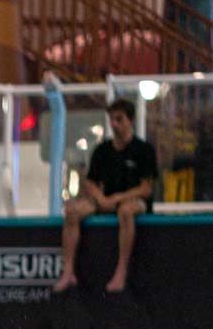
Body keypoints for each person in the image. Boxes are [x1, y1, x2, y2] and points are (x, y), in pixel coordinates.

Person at [53, 97, 158, 296]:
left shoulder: (144, 150)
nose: (114, 124)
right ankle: (68, 271)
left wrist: (119, 198)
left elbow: (146, 189)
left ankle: (121, 271)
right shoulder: (102, 151)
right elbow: (91, 182)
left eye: (119, 119)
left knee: (126, 211)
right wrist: (101, 199)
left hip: (132, 201)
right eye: (111, 119)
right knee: (73, 211)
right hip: (107, 200)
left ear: (130, 121)